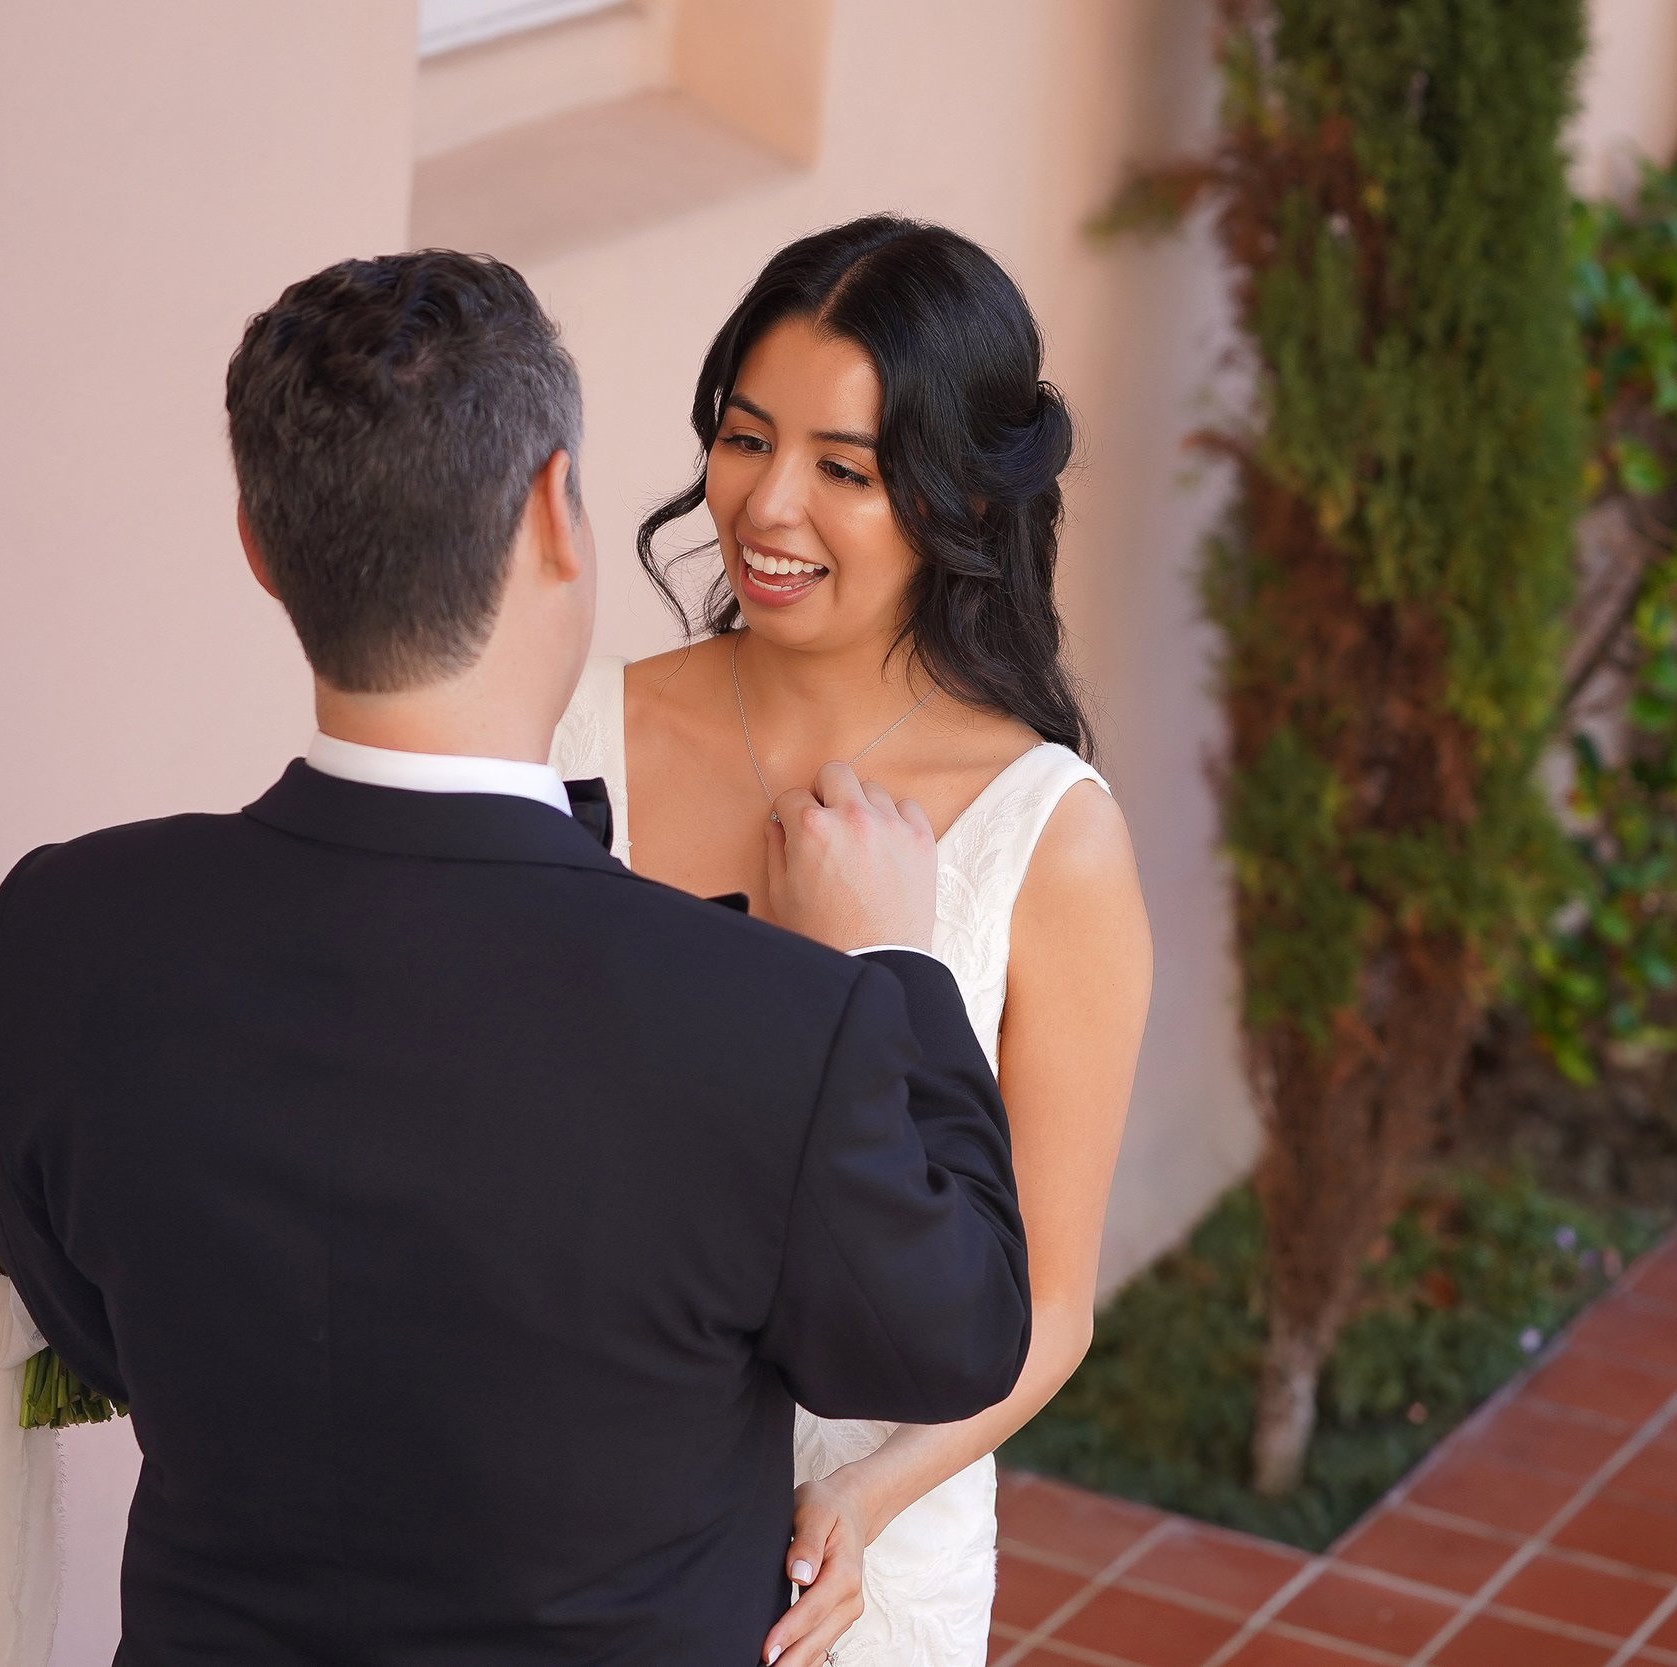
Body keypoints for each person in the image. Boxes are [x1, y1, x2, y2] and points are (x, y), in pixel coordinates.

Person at [0, 249, 1035, 1666]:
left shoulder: (61, 929)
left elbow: (100, 1328)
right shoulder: (783, 1022)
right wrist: (901, 972)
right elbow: (953, 1337)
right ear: (555, 513)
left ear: (258, 542)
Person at [553, 216, 1153, 1667]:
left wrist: (862, 1498)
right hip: (576, 1503)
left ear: (954, 498)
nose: (767, 507)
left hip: (856, 1565)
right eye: (747, 439)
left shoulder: (1046, 836)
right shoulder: (579, 734)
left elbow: (1050, 1304)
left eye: (845, 470)